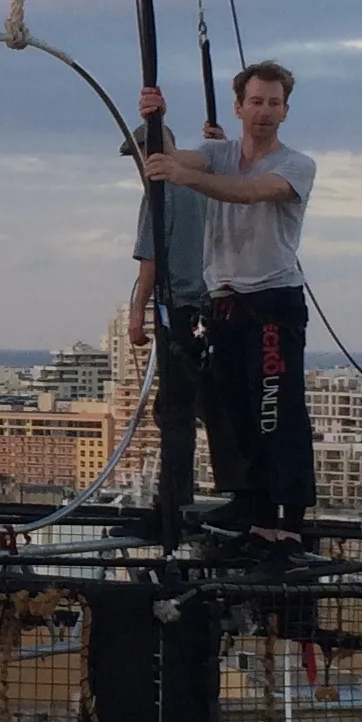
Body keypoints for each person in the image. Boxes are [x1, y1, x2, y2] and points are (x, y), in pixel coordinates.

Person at [142, 61, 317, 543]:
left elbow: (251, 193)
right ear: (239, 106)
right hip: (225, 303)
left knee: (275, 410)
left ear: (284, 111)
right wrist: (156, 120)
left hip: (273, 303)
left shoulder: (295, 164)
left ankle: (287, 522)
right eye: (256, 102)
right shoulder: (218, 153)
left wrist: (181, 174)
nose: (264, 112)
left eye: (273, 103)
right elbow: (178, 158)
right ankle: (255, 511)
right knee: (232, 410)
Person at [128, 118, 232, 540]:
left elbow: (150, 259)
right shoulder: (208, 180)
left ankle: (172, 507)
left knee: (174, 413)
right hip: (220, 308)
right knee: (208, 405)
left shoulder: (160, 190)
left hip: (181, 309)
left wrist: (138, 311)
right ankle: (243, 494)